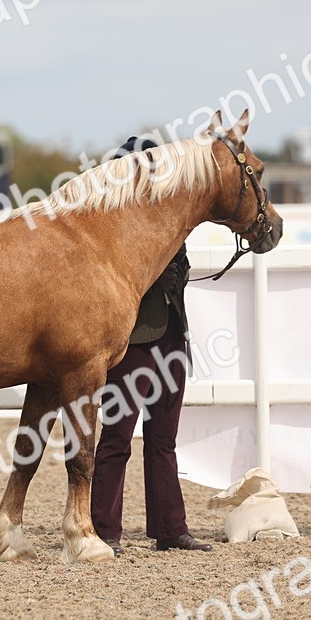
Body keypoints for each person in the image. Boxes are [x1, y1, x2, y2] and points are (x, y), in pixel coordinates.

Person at [90, 135, 212, 555]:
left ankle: (169, 528)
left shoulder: (167, 219)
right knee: (116, 438)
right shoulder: (113, 223)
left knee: (163, 439)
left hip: (172, 334)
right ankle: (105, 530)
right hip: (134, 340)